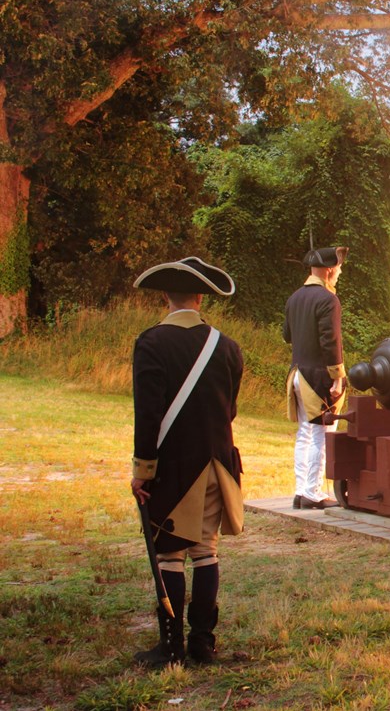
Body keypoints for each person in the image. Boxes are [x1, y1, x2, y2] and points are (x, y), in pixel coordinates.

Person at [130, 257, 244, 668]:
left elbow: (147, 415)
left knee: (170, 556)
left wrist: (143, 471)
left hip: (172, 467)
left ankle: (172, 647)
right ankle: (202, 643)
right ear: (200, 298)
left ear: (165, 296)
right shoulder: (228, 347)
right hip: (217, 465)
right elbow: (230, 410)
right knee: (206, 551)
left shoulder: (151, 343)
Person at [283, 246, 348, 509]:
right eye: (339, 269)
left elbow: (287, 335)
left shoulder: (294, 298)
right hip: (318, 376)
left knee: (305, 433)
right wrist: (338, 377)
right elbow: (330, 342)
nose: (340, 273)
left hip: (297, 374)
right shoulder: (328, 299)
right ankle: (313, 492)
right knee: (322, 433)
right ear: (330, 270)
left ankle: (302, 491)